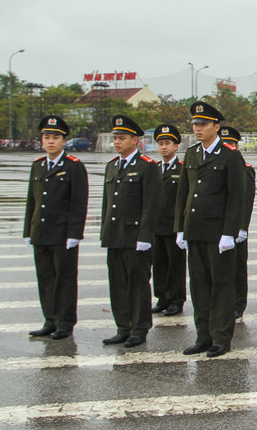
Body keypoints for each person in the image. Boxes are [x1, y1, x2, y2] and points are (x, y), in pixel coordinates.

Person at [174, 101, 248, 358]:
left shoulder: (230, 155)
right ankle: (203, 336)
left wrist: (230, 232)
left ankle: (221, 337)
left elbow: (236, 197)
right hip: (195, 231)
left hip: (218, 234)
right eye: (195, 124)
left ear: (216, 126)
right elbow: (183, 193)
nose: (198, 128)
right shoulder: (192, 154)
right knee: (200, 286)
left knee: (221, 286)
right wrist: (180, 229)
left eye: (203, 124)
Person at [23, 115, 88, 340]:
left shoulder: (73, 166)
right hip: (41, 231)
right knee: (46, 277)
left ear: (63, 141)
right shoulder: (38, 166)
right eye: (47, 137)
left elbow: (79, 202)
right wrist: (27, 231)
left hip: (62, 233)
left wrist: (75, 233)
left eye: (56, 137)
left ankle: (65, 322)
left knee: (65, 279)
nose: (51, 141)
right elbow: (31, 201)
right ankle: (50, 319)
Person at [100, 115, 161, 348]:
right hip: (115, 235)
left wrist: (145, 237)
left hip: (136, 237)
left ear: (135, 140)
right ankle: (123, 326)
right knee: (117, 284)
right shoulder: (112, 166)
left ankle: (139, 328)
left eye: (122, 138)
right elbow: (107, 204)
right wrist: (105, 232)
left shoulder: (147, 166)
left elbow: (151, 205)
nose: (117, 142)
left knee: (137, 284)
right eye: (115, 138)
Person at [217, 125, 255, 319]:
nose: (228, 146)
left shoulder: (244, 168)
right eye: (224, 143)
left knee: (238, 268)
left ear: (236, 145)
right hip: (219, 227)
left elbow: (246, 200)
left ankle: (238, 303)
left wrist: (242, 227)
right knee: (222, 269)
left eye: (231, 143)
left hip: (237, 229)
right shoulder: (217, 164)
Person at [151, 125, 186, 316]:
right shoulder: (154, 169)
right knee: (159, 264)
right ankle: (162, 297)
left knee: (175, 265)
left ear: (176, 146)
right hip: (157, 225)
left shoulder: (182, 169)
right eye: (161, 143)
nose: (164, 147)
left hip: (174, 226)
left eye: (167, 143)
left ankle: (176, 300)